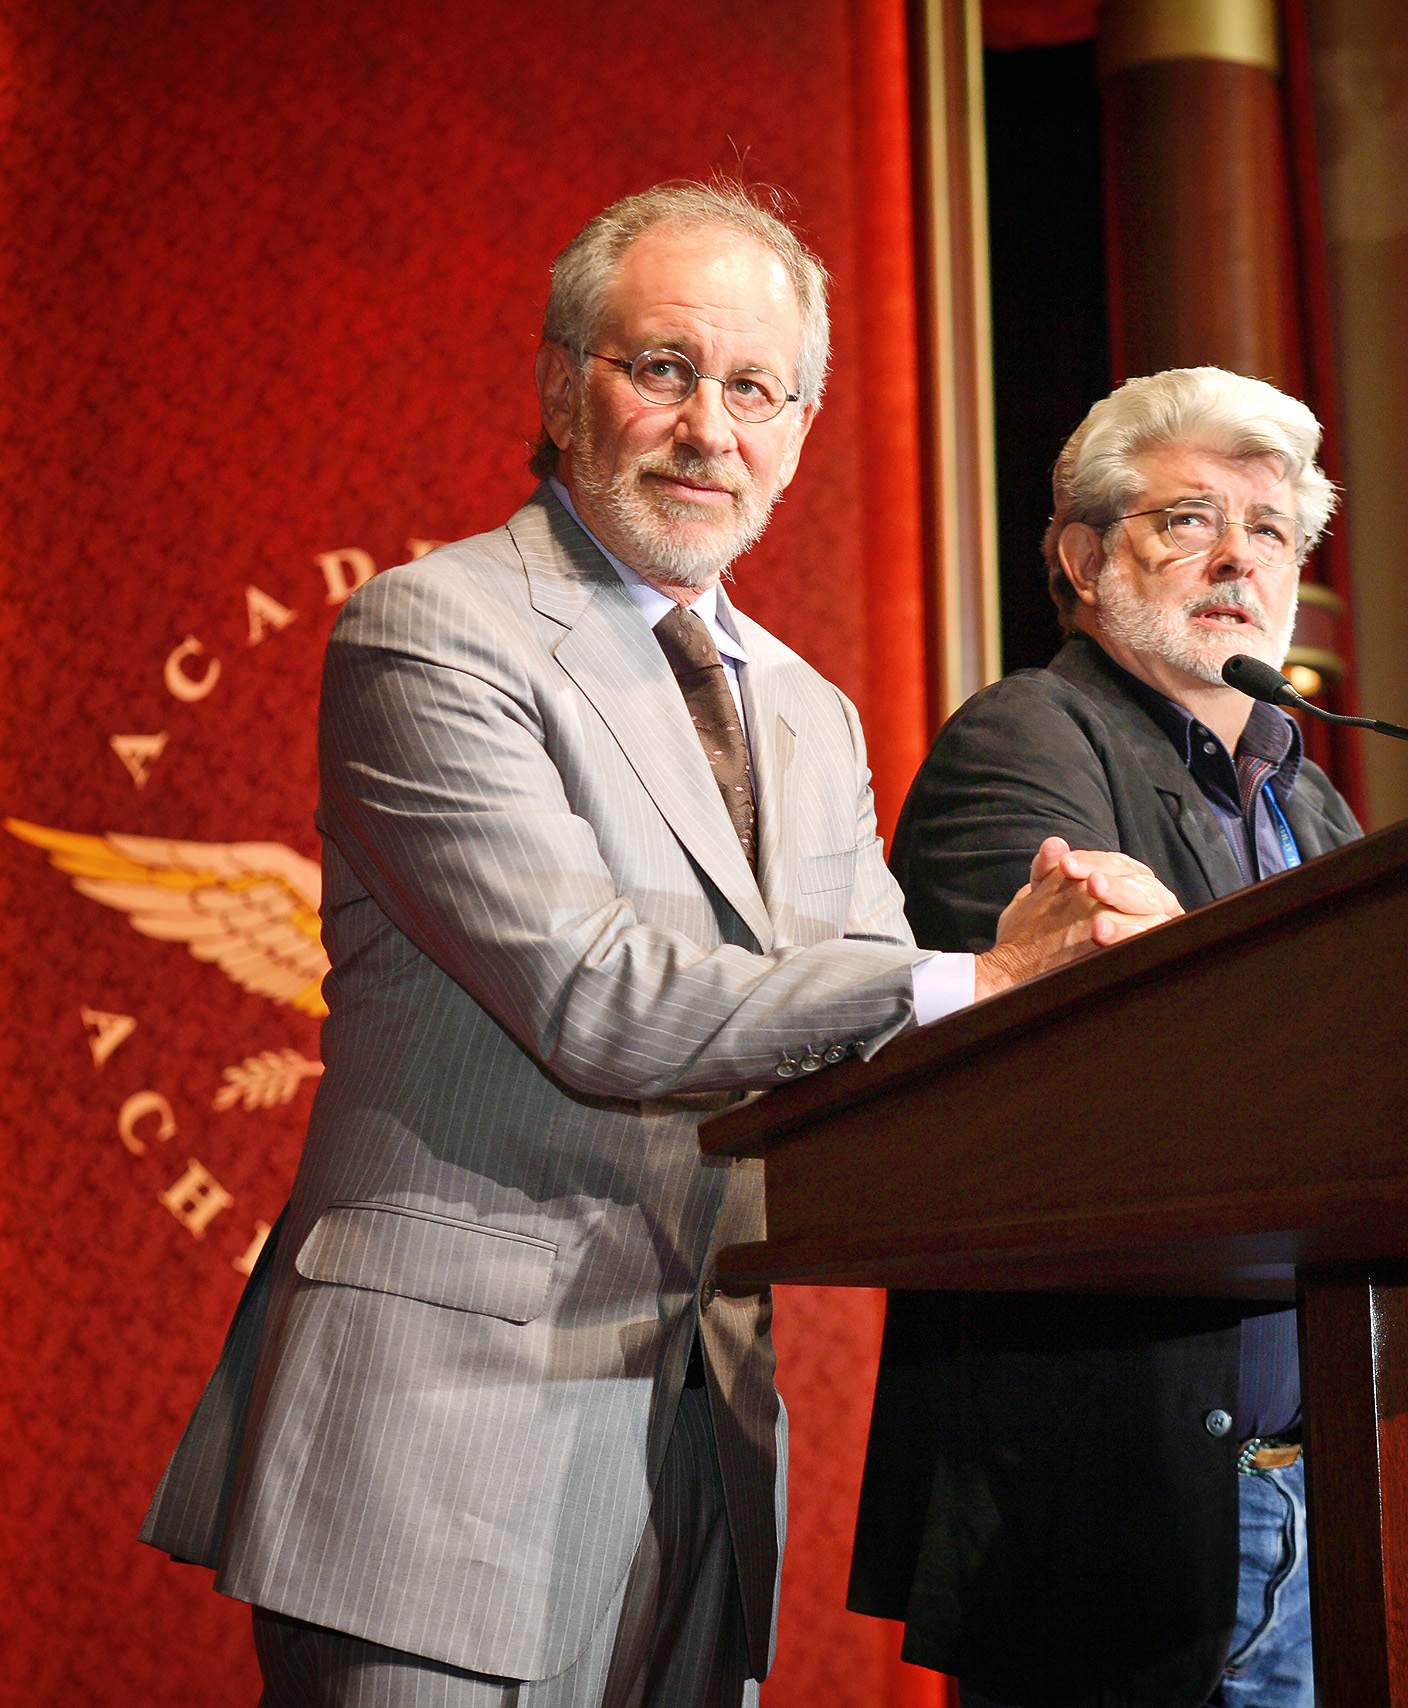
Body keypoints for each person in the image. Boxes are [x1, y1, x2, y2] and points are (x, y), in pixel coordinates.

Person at [138, 180, 1179, 1708]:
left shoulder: (813, 712)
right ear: (564, 387)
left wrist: (1095, 1025)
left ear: (803, 428)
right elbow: (594, 1002)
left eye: (756, 387)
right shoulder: (433, 633)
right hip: (442, 1447)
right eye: (664, 369)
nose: (712, 426)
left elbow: (863, 1045)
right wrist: (980, 978)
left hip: (702, 1443)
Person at [849, 368, 1365, 1708]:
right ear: (1085, 558)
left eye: (1272, 529)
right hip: (1115, 1503)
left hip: (1333, 1497)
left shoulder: (1317, 807)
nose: (1239, 559)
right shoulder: (1025, 741)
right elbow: (1075, 1076)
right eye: (1189, 518)